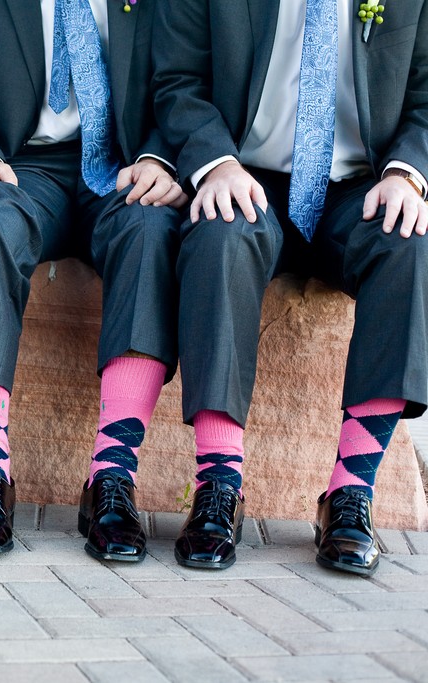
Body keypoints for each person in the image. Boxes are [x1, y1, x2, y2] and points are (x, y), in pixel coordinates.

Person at [153, 0, 428, 574]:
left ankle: (351, 493)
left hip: (361, 184)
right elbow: (177, 80)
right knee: (218, 235)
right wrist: (218, 164)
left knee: (411, 244)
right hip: (248, 176)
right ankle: (218, 484)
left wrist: (407, 172)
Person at [0, 0, 186, 558]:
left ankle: (112, 477)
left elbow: (189, 74)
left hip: (129, 164)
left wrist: (161, 157)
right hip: (23, 162)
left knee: (150, 234)